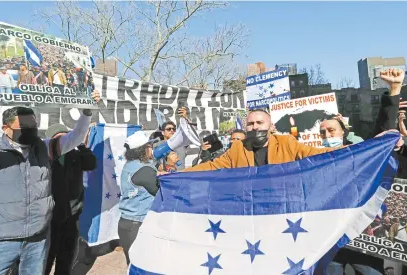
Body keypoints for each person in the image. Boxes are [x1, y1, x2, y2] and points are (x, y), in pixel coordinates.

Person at [0, 72, 100, 275]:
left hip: (38, 238)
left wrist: (87, 113)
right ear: (6, 128)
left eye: (33, 125)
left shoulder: (43, 148)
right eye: (23, 126)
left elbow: (75, 138)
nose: (30, 129)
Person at [184, 109, 337, 171]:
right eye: (250, 124)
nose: (255, 127)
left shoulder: (287, 143)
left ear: (271, 126)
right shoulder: (237, 149)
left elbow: (317, 154)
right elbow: (212, 167)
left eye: (260, 123)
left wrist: (353, 150)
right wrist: (179, 174)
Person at [44, 124, 97, 275]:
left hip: (72, 215)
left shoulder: (76, 155)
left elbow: (91, 163)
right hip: (50, 218)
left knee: (66, 259)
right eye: (59, 138)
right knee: (45, 260)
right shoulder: (43, 157)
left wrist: (81, 145)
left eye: (66, 137)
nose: (63, 141)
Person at [118, 131, 159, 265]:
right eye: (149, 146)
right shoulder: (144, 170)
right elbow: (159, 192)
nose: (151, 148)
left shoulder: (130, 165)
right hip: (138, 225)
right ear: (144, 149)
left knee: (133, 266)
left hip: (126, 223)